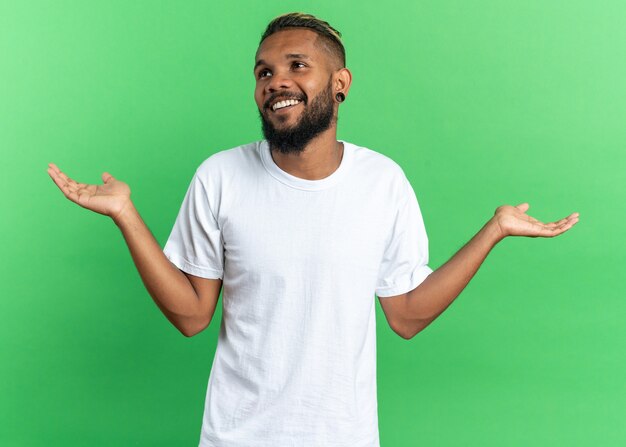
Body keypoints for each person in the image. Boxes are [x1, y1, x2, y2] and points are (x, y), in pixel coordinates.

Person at [47, 12, 579, 447]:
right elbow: (191, 316)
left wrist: (494, 230)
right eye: (263, 72)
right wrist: (126, 214)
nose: (276, 80)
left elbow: (408, 315)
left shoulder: (382, 182)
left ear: (340, 84)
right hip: (236, 438)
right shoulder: (220, 177)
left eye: (296, 65)